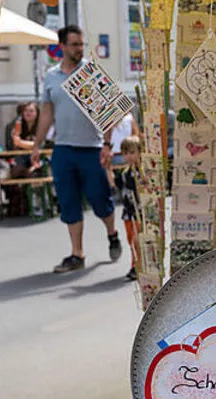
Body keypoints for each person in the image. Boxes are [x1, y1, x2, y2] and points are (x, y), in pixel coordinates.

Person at [31, 25, 122, 273]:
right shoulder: (52, 77)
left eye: (81, 44)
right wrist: (37, 144)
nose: (79, 49)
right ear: (62, 47)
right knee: (69, 201)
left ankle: (112, 233)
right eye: (74, 45)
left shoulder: (90, 73)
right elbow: (46, 113)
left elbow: (109, 113)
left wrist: (106, 144)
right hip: (63, 148)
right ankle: (77, 254)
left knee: (99, 199)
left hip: (91, 148)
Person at [114, 136, 141, 281]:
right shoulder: (125, 172)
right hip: (128, 211)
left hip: (139, 210)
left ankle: (138, 266)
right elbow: (117, 186)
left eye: (132, 152)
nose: (129, 156)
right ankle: (134, 264)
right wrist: (107, 169)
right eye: (126, 153)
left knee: (138, 239)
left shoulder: (142, 172)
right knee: (131, 239)